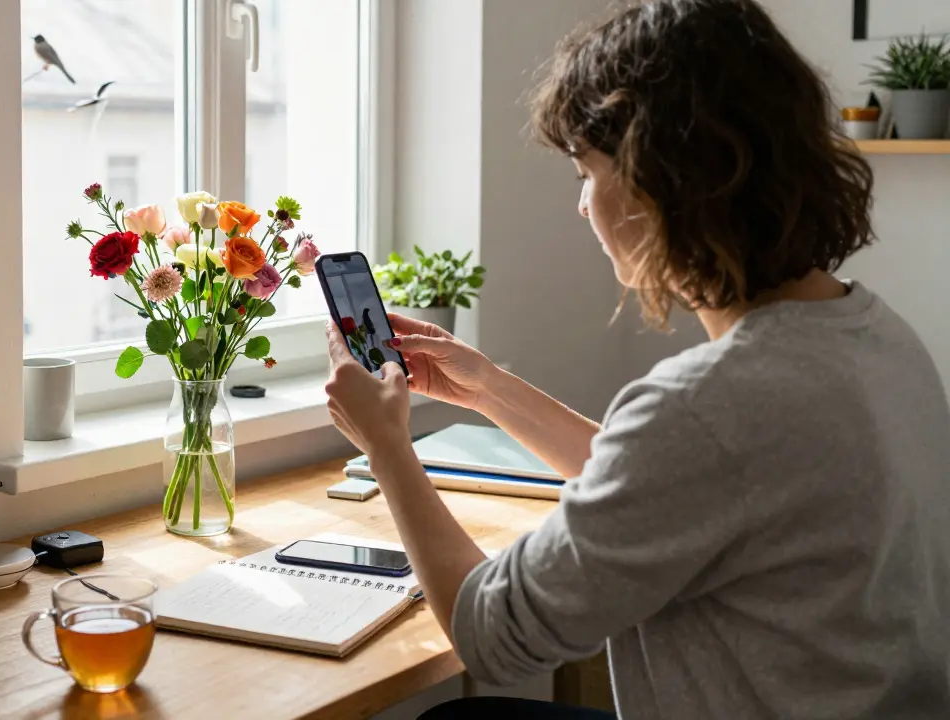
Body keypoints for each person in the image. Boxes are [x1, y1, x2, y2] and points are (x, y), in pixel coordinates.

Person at [323, 1, 950, 718]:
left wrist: (389, 448)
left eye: (587, 171)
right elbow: (679, 482)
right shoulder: (878, 336)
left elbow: (490, 636)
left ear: (664, 179)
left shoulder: (710, 404)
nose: (583, 207)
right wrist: (489, 389)